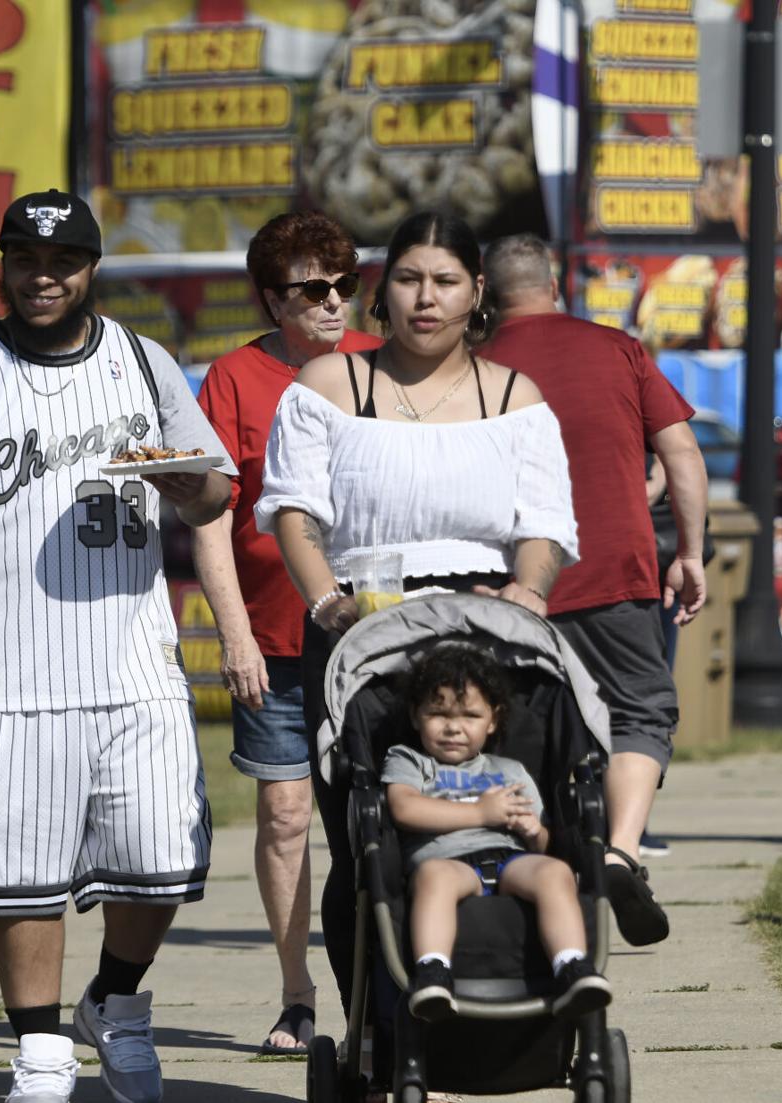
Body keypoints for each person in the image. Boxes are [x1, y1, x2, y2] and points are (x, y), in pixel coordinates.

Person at [0, 189, 234, 1103]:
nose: (44, 277)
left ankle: (113, 1001)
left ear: (91, 269)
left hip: (132, 653)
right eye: (27, 260)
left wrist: (184, 479)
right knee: (19, 866)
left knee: (160, 856)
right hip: (6, 658)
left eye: (63, 262)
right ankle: (40, 1048)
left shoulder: (142, 361)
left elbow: (211, 494)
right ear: (4, 263)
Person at [253, 210, 578, 1018]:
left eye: (444, 282)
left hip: (481, 637)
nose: (424, 300)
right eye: (407, 279)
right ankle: (375, 1023)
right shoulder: (331, 385)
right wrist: (326, 600)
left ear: (476, 294)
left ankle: (509, 991)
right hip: (356, 629)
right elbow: (294, 514)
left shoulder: (516, 396)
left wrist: (528, 591)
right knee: (364, 843)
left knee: (506, 827)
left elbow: (544, 525)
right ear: (382, 290)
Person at [481, 233, 708, 947]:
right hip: (616, 569)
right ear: (554, 284)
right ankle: (623, 849)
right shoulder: (619, 348)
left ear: (485, 294)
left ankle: (525, 878)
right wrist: (692, 552)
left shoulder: (472, 363)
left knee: (523, 727)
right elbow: (680, 451)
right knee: (641, 710)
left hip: (513, 581)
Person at [192, 211, 381, 1054]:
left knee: (381, 812)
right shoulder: (234, 378)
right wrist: (232, 631)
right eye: (314, 289)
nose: (335, 302)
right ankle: (297, 993)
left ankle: (387, 993)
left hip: (375, 633)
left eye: (346, 284)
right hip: (273, 634)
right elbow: (210, 518)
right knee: (285, 813)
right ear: (274, 299)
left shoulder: (385, 366)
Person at [384, 645, 612, 1021]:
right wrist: (479, 812)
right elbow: (404, 807)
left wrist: (533, 831)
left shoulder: (510, 770)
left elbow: (544, 844)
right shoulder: (410, 761)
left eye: (470, 715)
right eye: (438, 713)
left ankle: (571, 965)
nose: (453, 726)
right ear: (415, 715)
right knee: (433, 877)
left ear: (492, 721)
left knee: (554, 872)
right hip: (448, 862)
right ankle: (433, 971)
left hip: (510, 860)